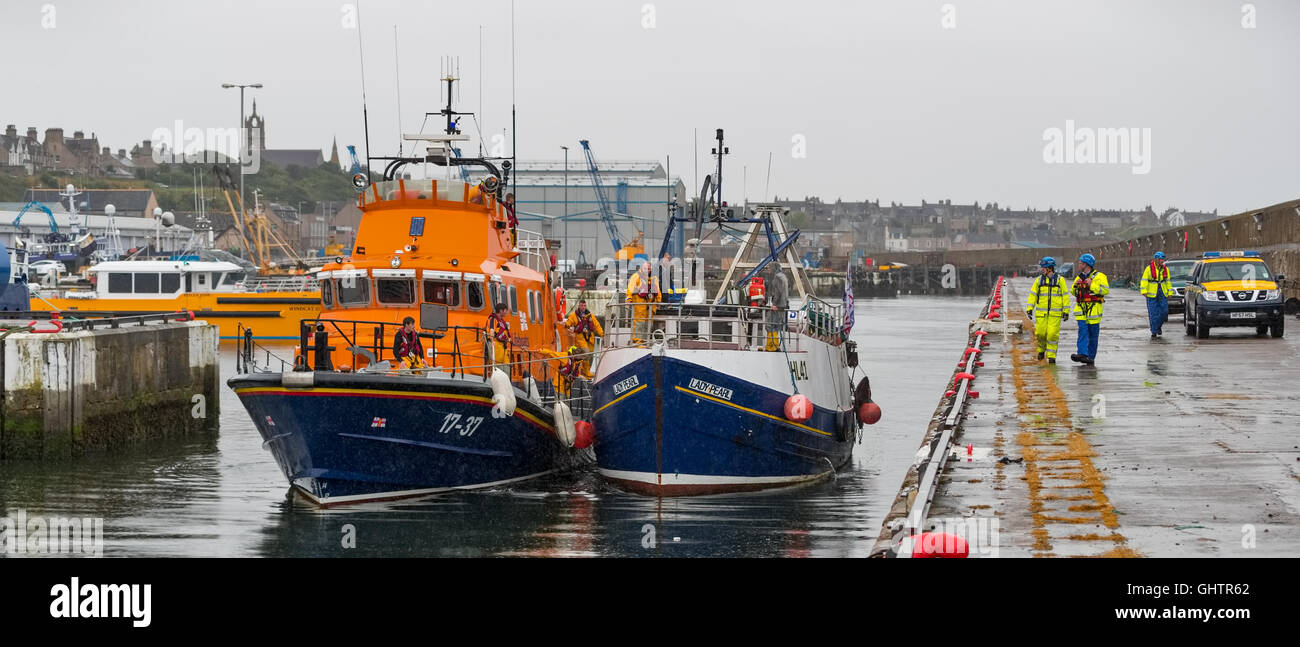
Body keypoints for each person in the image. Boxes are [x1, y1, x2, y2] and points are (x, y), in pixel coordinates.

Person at [1025, 257, 1070, 363]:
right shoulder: (1039, 280)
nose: (1042, 270)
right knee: (1040, 333)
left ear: (1050, 268)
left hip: (1055, 314)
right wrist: (1030, 309)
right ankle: (1041, 350)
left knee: (1052, 334)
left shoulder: (1060, 281)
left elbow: (1065, 297)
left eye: (1043, 268)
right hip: (1041, 314)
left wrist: (1066, 311)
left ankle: (1052, 356)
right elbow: (1033, 295)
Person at [1070, 253, 1110, 366]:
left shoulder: (1100, 276)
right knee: (1083, 331)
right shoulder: (1079, 277)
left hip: (1094, 311)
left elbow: (1105, 291)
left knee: (1093, 336)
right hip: (1081, 310)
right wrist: (1076, 286)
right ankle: (1082, 353)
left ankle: (1090, 357)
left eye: (1080, 263)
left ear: (1086, 264)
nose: (1078, 265)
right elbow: (1073, 292)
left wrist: (1092, 285)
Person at [564, 299, 604, 378]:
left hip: (590, 338)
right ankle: (585, 372)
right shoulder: (573, 316)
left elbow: (597, 325)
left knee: (590, 354)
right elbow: (568, 323)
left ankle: (585, 370)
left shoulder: (590, 315)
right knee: (586, 352)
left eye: (584, 305)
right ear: (579, 306)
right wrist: (567, 325)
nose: (583, 307)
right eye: (582, 305)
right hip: (580, 338)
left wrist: (602, 334)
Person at [625, 261, 660, 342]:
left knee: (648, 325)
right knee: (639, 323)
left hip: (650, 307)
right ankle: (637, 341)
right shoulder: (636, 276)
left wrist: (658, 300)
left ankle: (645, 340)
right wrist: (629, 298)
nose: (647, 270)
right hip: (639, 306)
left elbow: (658, 291)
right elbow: (630, 287)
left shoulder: (654, 278)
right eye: (645, 268)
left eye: (648, 269)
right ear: (641, 268)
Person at [1141, 251, 1173, 338]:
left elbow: (1168, 282)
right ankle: (1154, 331)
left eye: (1163, 259)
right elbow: (1144, 280)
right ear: (1156, 259)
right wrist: (1144, 291)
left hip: (1162, 292)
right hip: (1152, 294)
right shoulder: (1148, 269)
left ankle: (1158, 326)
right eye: (1161, 259)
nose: (1163, 261)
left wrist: (1170, 292)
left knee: (1164, 312)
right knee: (1153, 313)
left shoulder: (1165, 269)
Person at [766, 266, 790, 351]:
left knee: (769, 325)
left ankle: (772, 346)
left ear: (773, 268)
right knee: (777, 326)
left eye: (769, 268)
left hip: (778, 305)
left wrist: (774, 304)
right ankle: (774, 346)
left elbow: (778, 292)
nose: (768, 270)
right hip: (783, 305)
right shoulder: (783, 276)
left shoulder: (777, 277)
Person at [485, 302, 512, 372]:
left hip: (503, 348)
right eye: (505, 310)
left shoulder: (502, 322)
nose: (507, 312)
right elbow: (491, 330)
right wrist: (492, 341)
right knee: (498, 367)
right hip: (496, 347)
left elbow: (507, 335)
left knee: (506, 367)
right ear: (501, 311)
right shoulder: (493, 319)